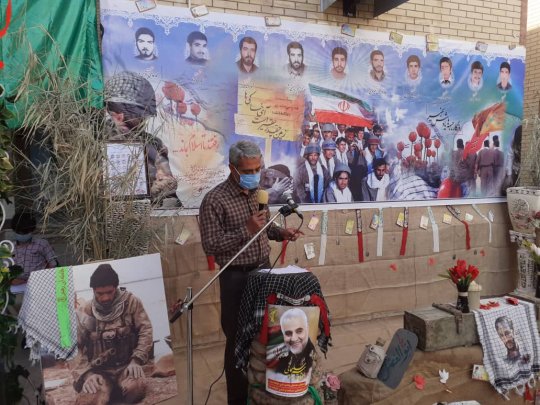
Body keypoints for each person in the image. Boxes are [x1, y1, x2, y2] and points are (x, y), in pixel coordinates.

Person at [199, 141, 301, 405]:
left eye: (258, 168)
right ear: (232, 168)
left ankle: (263, 390)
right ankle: (237, 399)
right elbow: (211, 245)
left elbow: (264, 227)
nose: (254, 174)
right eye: (248, 170)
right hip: (235, 277)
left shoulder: (259, 193)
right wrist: (245, 229)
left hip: (263, 272)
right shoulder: (214, 200)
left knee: (267, 332)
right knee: (237, 340)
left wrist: (281, 233)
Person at [72, 264, 153, 405]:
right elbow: (74, 348)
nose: (105, 298)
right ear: (93, 290)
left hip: (126, 367)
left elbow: (145, 330)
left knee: (136, 388)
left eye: (109, 292)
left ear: (116, 287)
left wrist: (136, 360)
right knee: (91, 400)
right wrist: (87, 375)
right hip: (98, 372)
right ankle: (106, 392)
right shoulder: (85, 312)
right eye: (100, 293)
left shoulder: (131, 303)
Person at [104, 71, 180, 206]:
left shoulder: (154, 143)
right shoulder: (95, 141)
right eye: (141, 113)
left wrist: (165, 185)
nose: (144, 118)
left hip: (150, 214)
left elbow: (168, 191)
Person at [11, 210, 58, 285]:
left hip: (39, 284)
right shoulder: (10, 248)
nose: (22, 235)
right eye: (19, 232)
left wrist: (43, 279)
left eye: (25, 232)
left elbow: (53, 264)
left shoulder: (41, 244)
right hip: (16, 286)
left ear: (32, 230)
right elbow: (4, 269)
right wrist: (10, 281)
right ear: (14, 230)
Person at [273, 308, 315, 377]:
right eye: (288, 333)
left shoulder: (311, 356)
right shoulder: (283, 358)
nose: (294, 338)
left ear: (307, 329)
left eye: (299, 331)